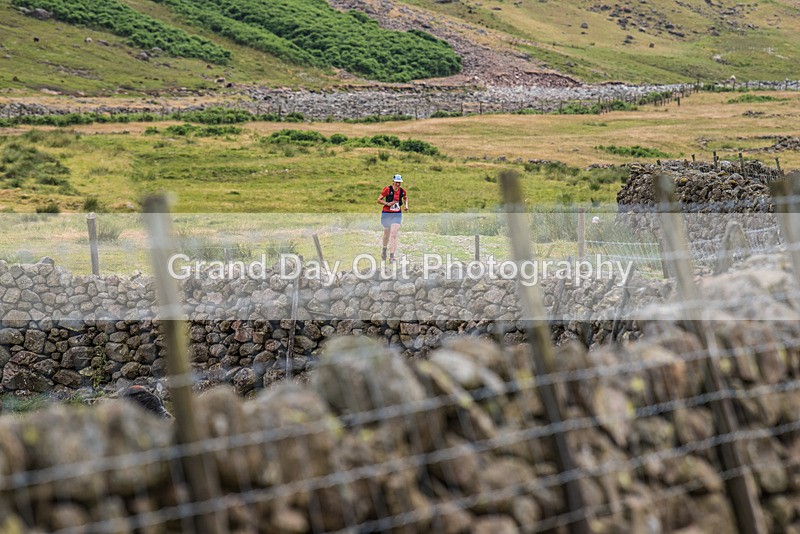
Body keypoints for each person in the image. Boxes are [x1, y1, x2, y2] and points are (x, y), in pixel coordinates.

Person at [377, 174, 409, 261]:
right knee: (386, 235)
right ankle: (384, 249)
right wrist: (387, 204)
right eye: (396, 182)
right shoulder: (387, 189)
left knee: (394, 234)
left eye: (399, 182)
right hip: (387, 214)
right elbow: (379, 199)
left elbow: (405, 198)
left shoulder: (402, 191)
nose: (398, 184)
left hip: (397, 214)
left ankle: (392, 256)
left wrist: (406, 206)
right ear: (393, 182)